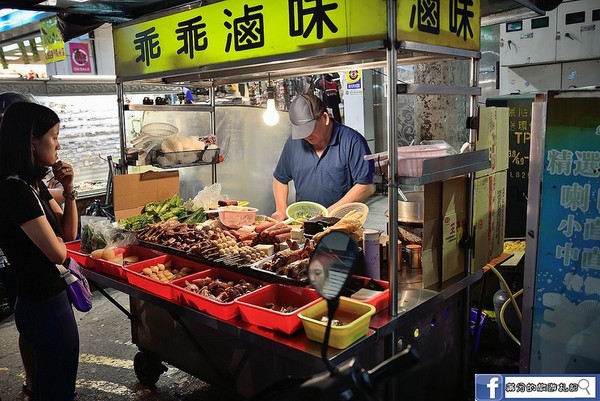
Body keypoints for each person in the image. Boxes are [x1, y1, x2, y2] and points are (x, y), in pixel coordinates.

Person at [0, 102, 79, 400]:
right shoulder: (14, 189)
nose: (58, 144)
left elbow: (68, 233)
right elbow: (57, 253)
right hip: (43, 304)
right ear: (32, 139)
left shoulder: (32, 183)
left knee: (54, 382)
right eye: (54, 135)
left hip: (47, 299)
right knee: (57, 388)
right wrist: (59, 244)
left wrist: (69, 189)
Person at [271, 94, 375, 221]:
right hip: (304, 221)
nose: (306, 136)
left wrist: (325, 214)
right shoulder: (294, 143)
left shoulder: (352, 141)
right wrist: (281, 209)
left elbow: (365, 186)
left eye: (309, 129)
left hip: (341, 222)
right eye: (301, 132)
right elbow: (280, 178)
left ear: (325, 118)